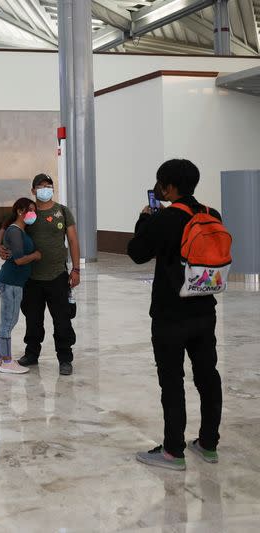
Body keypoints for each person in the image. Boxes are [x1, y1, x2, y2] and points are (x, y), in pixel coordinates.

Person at [127, 159, 222, 471]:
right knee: (207, 375)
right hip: (205, 309)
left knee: (172, 380)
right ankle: (208, 443)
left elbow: (137, 252)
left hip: (170, 314)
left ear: (168, 187)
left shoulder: (165, 218)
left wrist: (144, 220)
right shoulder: (210, 214)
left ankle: (172, 451)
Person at [0, 174, 81, 376]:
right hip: (31, 278)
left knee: (62, 320)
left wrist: (76, 269)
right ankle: (31, 354)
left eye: (49, 186)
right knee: (32, 320)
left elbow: (73, 239)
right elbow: (6, 226)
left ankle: (65, 358)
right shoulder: (29, 212)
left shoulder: (62, 211)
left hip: (58, 275)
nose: (46, 189)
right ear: (33, 190)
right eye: (41, 186)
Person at [0, 198, 42, 374]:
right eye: (30, 210)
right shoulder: (15, 231)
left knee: (9, 321)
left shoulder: (20, 230)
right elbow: (19, 260)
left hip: (14, 283)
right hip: (10, 283)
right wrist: (35, 255)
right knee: (8, 321)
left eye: (34, 211)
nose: (33, 214)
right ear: (20, 211)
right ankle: (7, 361)